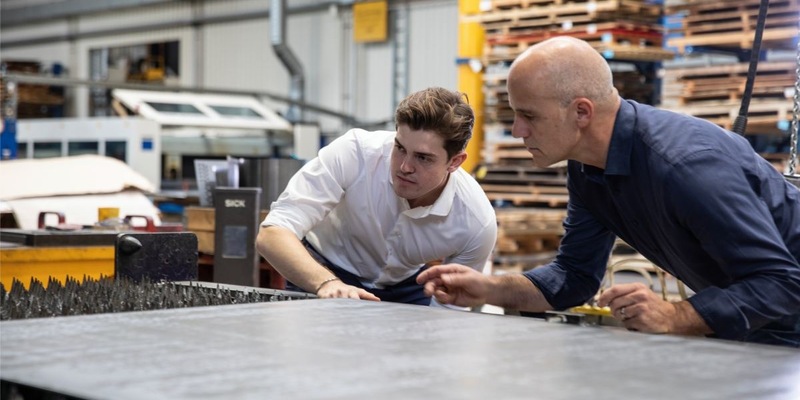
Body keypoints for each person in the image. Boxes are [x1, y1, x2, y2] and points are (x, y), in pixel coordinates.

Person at [417, 37, 800, 346]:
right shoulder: (589, 169)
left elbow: (781, 282)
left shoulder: (686, 166)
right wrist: (489, 289)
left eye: (528, 116)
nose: (518, 131)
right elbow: (575, 275)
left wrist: (676, 315)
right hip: (764, 328)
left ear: (581, 113)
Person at [256, 87, 497, 305]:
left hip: (406, 289)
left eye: (422, 158)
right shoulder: (355, 153)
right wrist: (327, 283)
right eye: (400, 148)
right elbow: (272, 234)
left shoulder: (475, 222)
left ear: (455, 162)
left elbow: (451, 308)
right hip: (321, 272)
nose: (404, 167)